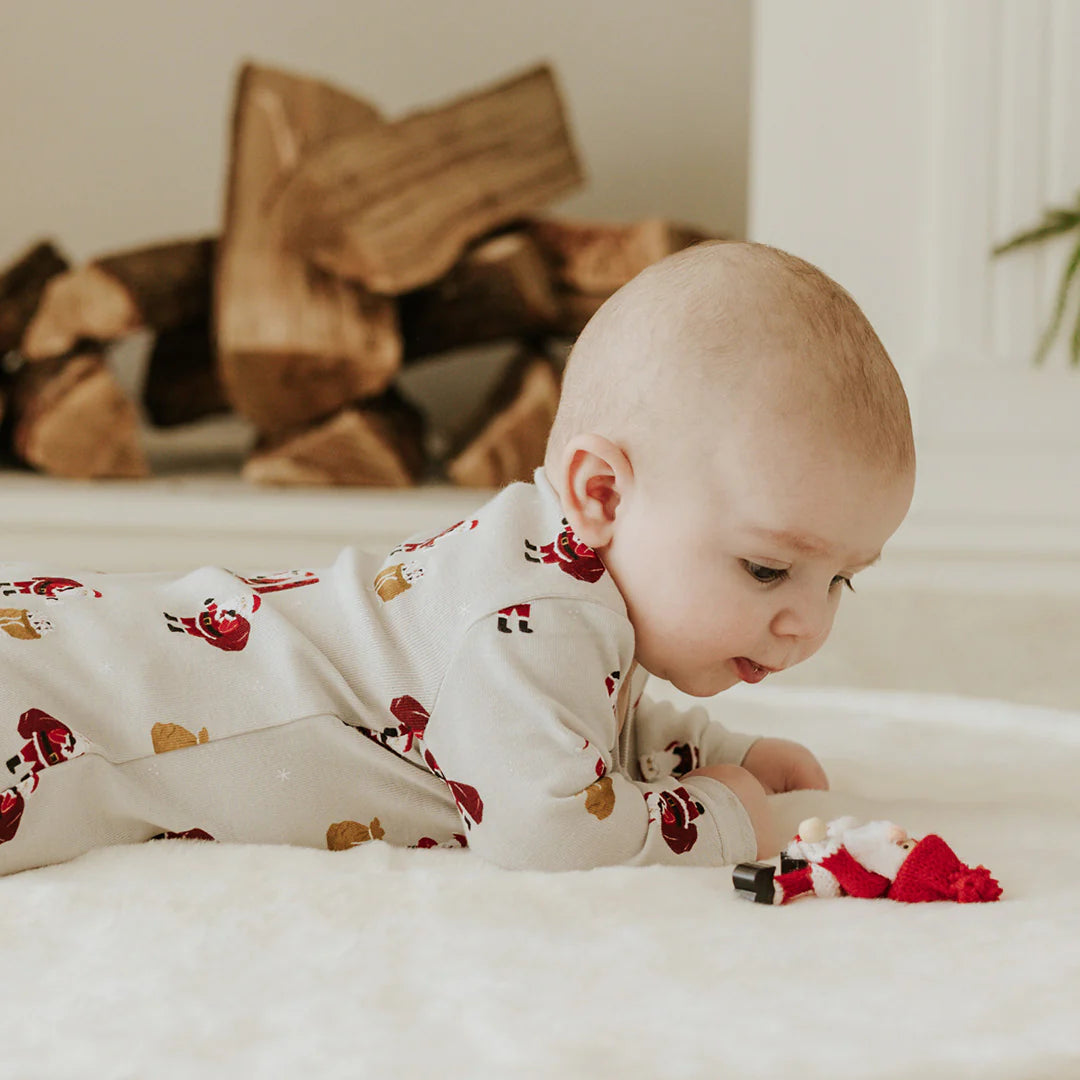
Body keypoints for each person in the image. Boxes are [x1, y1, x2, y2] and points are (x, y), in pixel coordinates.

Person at [0, 241, 914, 875]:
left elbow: (570, 726)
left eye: (840, 578)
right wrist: (719, 814)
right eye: (766, 569)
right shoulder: (533, 616)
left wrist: (708, 748)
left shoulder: (566, 585)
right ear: (603, 494)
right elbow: (552, 829)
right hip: (51, 701)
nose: (810, 622)